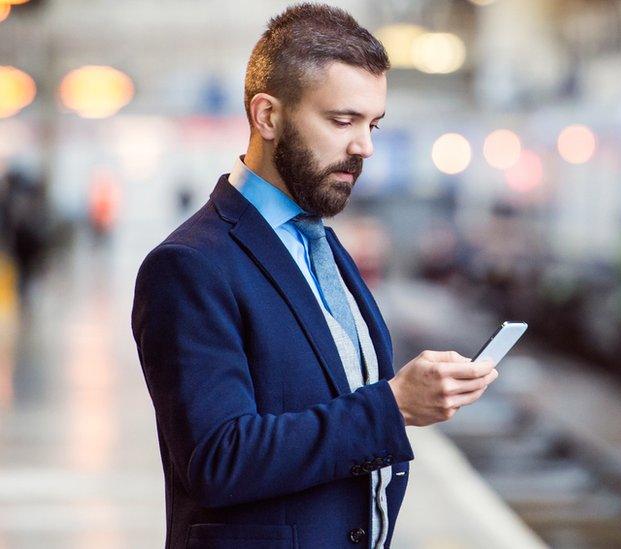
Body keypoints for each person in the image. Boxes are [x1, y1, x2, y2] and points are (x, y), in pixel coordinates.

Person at [130, 4, 498, 548]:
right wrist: (392, 406)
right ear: (267, 117)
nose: (364, 147)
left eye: (373, 125)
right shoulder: (190, 265)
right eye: (342, 120)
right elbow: (217, 458)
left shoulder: (319, 242)